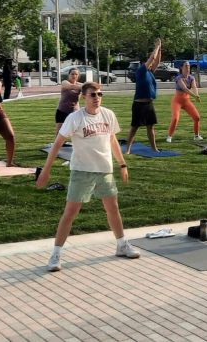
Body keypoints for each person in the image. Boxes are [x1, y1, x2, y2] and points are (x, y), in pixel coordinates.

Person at [38, 81, 139, 272]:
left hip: (104, 170)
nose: (97, 98)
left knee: (113, 209)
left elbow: (112, 140)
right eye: (93, 94)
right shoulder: (75, 118)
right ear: (84, 97)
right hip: (82, 171)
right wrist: (46, 170)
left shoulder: (108, 114)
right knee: (70, 213)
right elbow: (58, 143)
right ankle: (56, 254)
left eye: (100, 94)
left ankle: (122, 244)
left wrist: (122, 164)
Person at [127, 39, 163, 152]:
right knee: (134, 128)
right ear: (144, 63)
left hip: (149, 103)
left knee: (151, 126)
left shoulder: (150, 72)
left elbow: (156, 60)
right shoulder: (141, 71)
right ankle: (127, 149)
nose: (152, 64)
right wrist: (156, 47)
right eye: (149, 62)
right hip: (139, 104)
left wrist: (160, 47)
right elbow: (152, 58)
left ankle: (154, 148)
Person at [167, 62, 203, 142]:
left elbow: (194, 87)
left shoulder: (191, 78)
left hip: (186, 101)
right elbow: (185, 89)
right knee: (175, 118)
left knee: (197, 117)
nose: (188, 68)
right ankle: (169, 136)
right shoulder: (178, 78)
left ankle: (196, 136)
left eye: (189, 66)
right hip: (177, 101)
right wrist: (195, 96)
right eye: (186, 66)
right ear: (181, 68)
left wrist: (197, 95)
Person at [55, 68, 82, 134]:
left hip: (75, 112)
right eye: (72, 74)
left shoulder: (81, 85)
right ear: (69, 75)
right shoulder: (65, 82)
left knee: (77, 132)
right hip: (62, 111)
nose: (74, 76)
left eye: (76, 74)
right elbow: (71, 86)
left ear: (78, 76)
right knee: (59, 133)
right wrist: (85, 86)